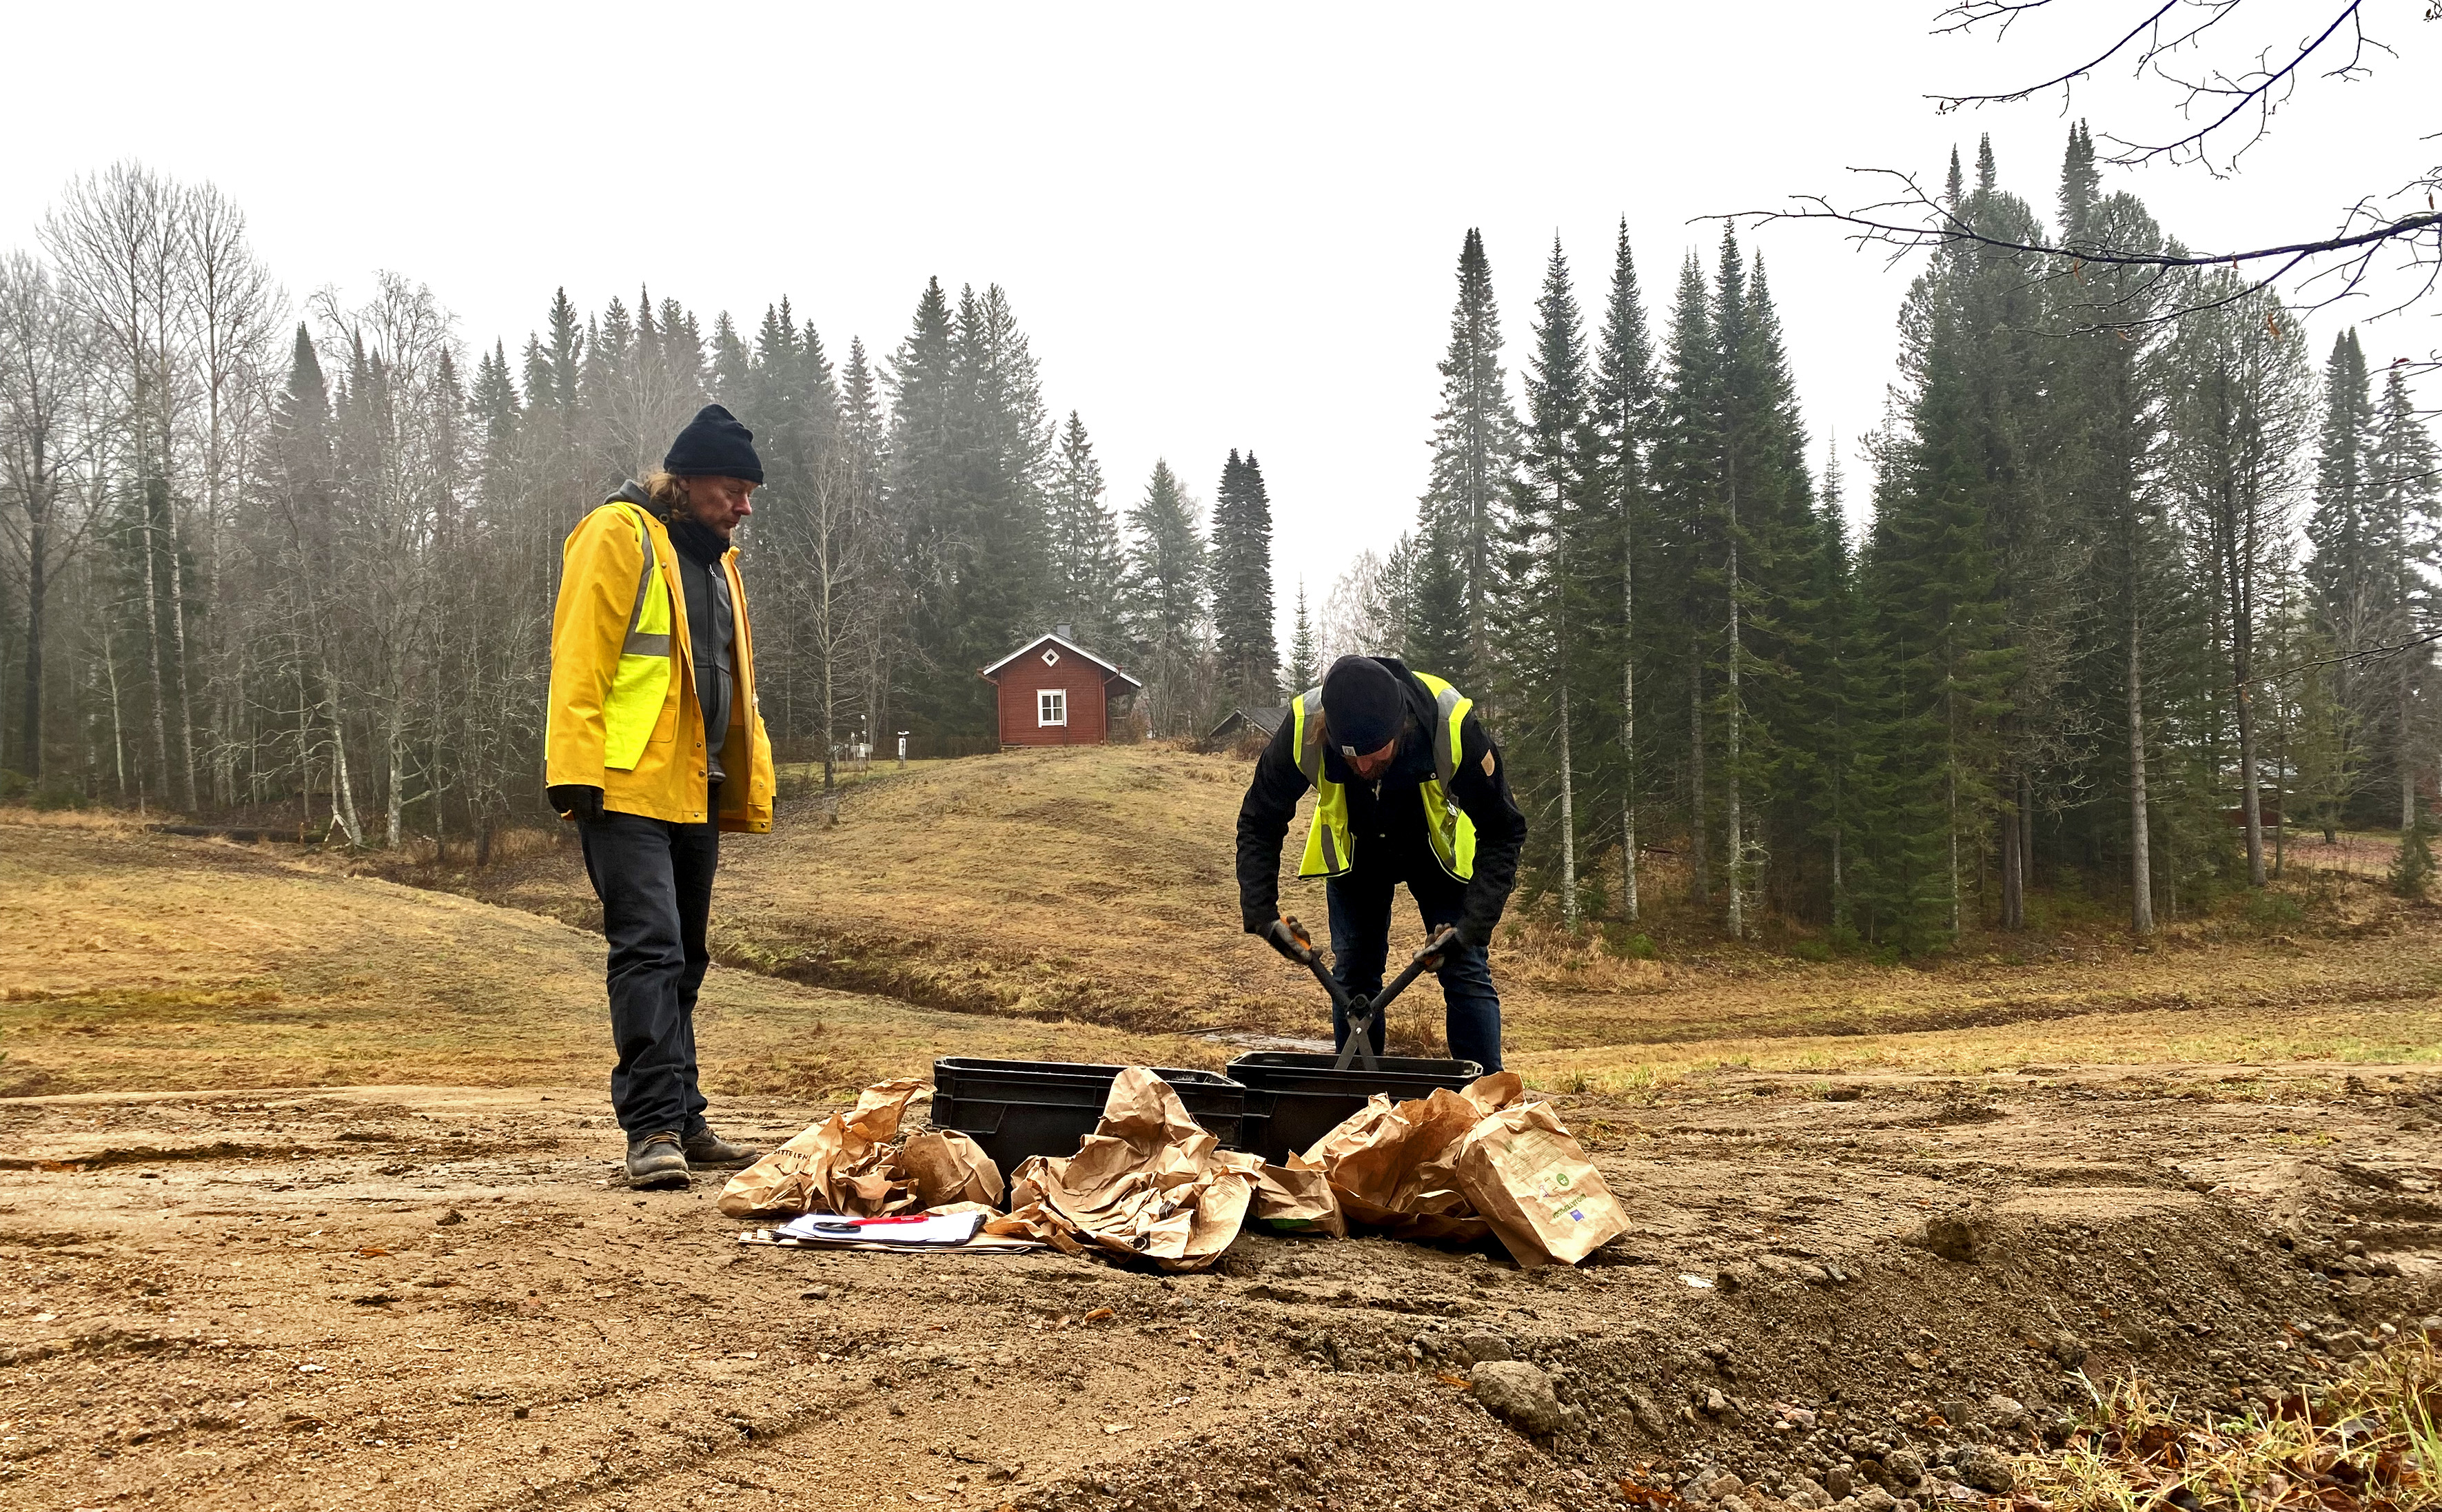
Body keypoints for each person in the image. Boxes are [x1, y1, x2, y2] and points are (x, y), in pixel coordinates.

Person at [545, 404, 777, 1189]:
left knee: (687, 959)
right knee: (649, 950)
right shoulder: (619, 533)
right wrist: (573, 762)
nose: (744, 505)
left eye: (750, 492)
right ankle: (651, 1129)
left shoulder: (717, 563)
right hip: (623, 782)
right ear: (687, 480)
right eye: (734, 487)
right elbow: (581, 652)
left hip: (696, 784)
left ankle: (684, 1114)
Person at [1235, 654, 1527, 1070]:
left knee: (1465, 971)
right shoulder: (1304, 726)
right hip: (1358, 855)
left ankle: (1488, 1107)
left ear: (1401, 726)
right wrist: (1262, 915)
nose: (1364, 766)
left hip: (1435, 855)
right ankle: (1361, 1115)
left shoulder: (1449, 723)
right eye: (1352, 757)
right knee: (1353, 977)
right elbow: (1259, 819)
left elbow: (1505, 829)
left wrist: (1471, 928)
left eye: (1375, 753)